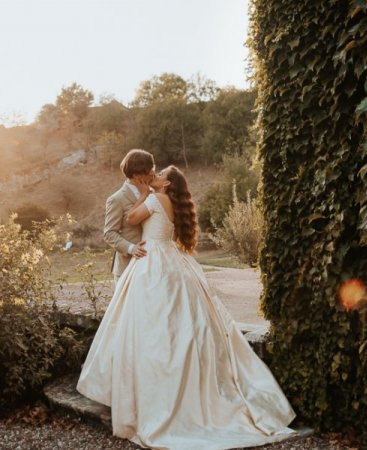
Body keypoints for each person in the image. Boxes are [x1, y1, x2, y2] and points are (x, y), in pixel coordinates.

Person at [77, 165, 297, 450]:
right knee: (176, 323)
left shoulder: (155, 199)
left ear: (167, 184)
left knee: (152, 326)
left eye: (159, 175)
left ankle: (160, 395)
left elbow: (131, 217)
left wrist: (144, 192)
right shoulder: (173, 204)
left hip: (154, 262)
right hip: (172, 261)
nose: (154, 176)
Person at [103, 149, 155, 284]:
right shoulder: (116, 199)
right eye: (149, 170)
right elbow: (109, 233)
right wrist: (131, 248)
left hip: (153, 265)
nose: (153, 173)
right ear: (138, 175)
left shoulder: (154, 194)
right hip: (127, 267)